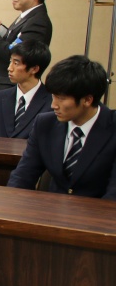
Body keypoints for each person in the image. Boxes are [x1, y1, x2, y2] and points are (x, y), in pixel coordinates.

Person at [7, 55, 116, 199]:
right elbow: (23, 175)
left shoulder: (112, 127)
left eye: (62, 98)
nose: (53, 105)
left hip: (97, 216)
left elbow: (113, 194)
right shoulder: (45, 124)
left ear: (87, 100)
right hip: (52, 213)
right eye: (53, 96)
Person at [0, 40, 52, 139]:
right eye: (10, 62)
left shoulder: (52, 102)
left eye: (16, 63)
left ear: (34, 69)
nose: (9, 68)